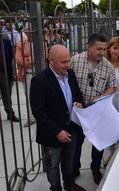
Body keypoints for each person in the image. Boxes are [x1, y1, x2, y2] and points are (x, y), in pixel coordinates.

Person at [30, 44, 86, 191]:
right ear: (51, 60)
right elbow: (38, 112)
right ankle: (55, 187)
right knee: (53, 165)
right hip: (52, 133)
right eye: (63, 62)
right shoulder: (39, 81)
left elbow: (78, 94)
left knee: (69, 160)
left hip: (71, 128)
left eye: (68, 61)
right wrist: (57, 131)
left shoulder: (71, 74)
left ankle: (69, 183)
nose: (67, 65)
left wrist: (79, 103)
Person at [70, 33, 116, 185]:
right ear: (89, 47)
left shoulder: (108, 66)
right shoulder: (75, 61)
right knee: (76, 143)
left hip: (97, 112)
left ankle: (95, 169)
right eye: (98, 49)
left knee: (98, 144)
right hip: (78, 112)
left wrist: (100, 97)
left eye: (104, 49)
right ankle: (74, 168)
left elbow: (112, 87)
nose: (102, 53)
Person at [15, 22, 36, 127]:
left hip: (38, 72)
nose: (29, 33)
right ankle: (31, 118)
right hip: (26, 73)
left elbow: (43, 54)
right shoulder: (21, 43)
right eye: (28, 31)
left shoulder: (39, 42)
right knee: (29, 96)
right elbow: (17, 58)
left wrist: (28, 59)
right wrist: (30, 60)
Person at [0, 36, 20, 122]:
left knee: (7, 95)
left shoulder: (7, 42)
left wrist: (12, 74)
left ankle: (10, 114)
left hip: (5, 72)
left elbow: (11, 58)